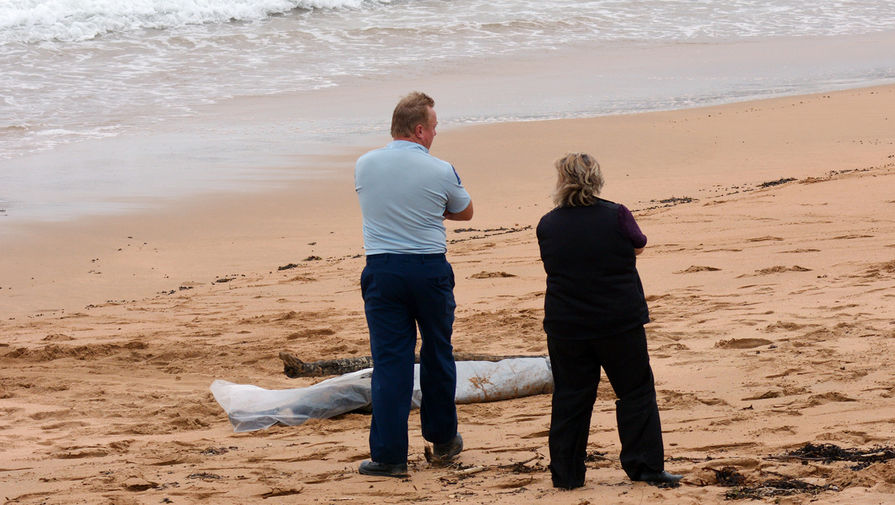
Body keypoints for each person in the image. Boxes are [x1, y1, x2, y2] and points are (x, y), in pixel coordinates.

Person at [535, 152, 682, 489]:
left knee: (571, 396)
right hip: (618, 321)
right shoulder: (616, 214)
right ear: (596, 179)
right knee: (635, 392)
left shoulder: (548, 223)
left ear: (562, 182)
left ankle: (567, 474)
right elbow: (638, 246)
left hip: (567, 324)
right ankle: (644, 466)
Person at [354, 91, 473, 478]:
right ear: (420, 130)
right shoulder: (440, 169)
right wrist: (430, 207)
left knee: (391, 363)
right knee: (438, 351)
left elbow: (380, 202)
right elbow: (465, 211)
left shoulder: (364, 164)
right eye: (434, 127)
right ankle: (442, 439)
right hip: (428, 268)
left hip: (383, 269)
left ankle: (389, 456)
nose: (436, 133)